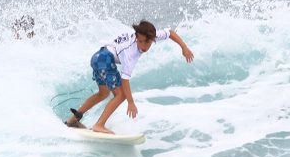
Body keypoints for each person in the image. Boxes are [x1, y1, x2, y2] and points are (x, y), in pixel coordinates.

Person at [65, 20, 194, 134]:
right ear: (136, 37)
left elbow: (170, 32)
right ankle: (99, 125)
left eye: (146, 42)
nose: (143, 46)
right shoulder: (129, 53)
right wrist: (130, 102)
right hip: (105, 60)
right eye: (140, 41)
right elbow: (124, 79)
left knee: (103, 93)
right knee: (121, 95)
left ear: (153, 39)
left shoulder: (150, 35)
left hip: (97, 57)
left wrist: (184, 47)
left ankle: (73, 120)